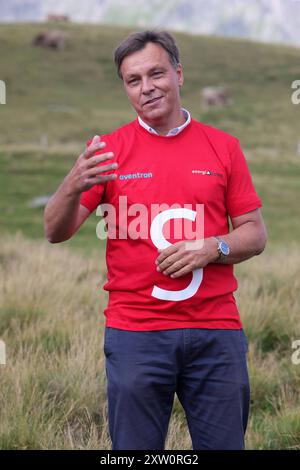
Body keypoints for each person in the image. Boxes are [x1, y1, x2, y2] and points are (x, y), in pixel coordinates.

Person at [44, 30, 267, 450]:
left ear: (179, 74)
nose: (147, 88)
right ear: (126, 88)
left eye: (157, 73)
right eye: (133, 80)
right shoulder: (108, 151)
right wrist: (72, 183)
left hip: (215, 331)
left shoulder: (224, 147)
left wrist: (212, 248)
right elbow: (56, 232)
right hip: (135, 334)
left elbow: (255, 233)